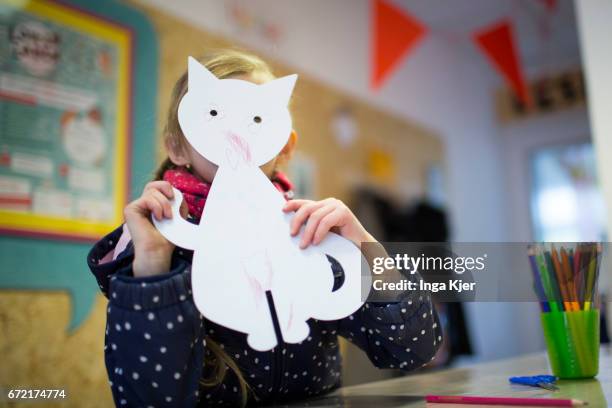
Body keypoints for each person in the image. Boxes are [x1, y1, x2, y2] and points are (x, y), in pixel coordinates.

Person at [87, 49, 443, 407]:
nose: (236, 135)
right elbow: (146, 400)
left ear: (284, 146)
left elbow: (414, 349)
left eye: (256, 119)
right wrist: (152, 266)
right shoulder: (155, 245)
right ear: (178, 148)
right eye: (215, 116)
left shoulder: (308, 235)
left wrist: (366, 246)